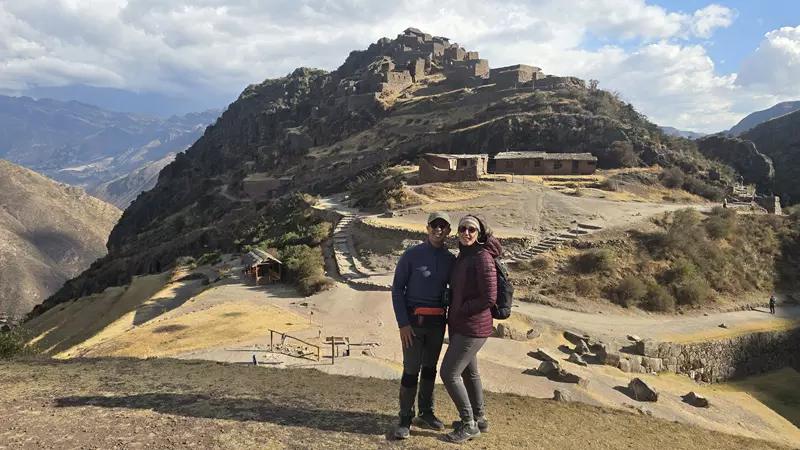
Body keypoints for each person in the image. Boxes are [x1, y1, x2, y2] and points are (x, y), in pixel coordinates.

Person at [391, 211, 456, 439]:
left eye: (443, 226)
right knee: (411, 371)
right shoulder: (411, 255)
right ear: (427, 228)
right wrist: (403, 324)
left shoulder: (451, 260)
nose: (438, 229)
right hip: (413, 325)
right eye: (434, 225)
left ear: (449, 230)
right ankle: (405, 417)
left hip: (438, 324)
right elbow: (398, 289)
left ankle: (426, 412)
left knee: (430, 370)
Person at [440, 215, 502, 443]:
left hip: (473, 326)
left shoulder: (482, 257)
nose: (466, 233)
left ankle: (469, 424)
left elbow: (489, 298)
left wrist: (463, 308)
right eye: (463, 229)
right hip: (461, 324)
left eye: (471, 230)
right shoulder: (465, 255)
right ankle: (479, 418)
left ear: (479, 234)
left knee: (448, 372)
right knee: (468, 372)